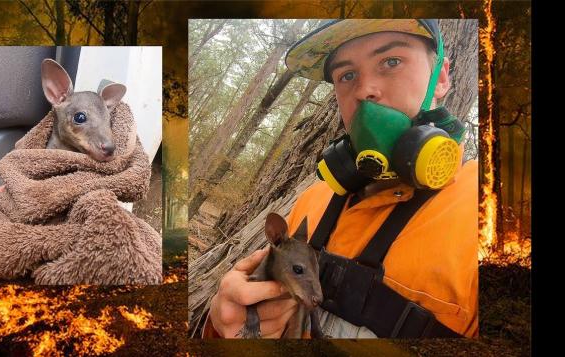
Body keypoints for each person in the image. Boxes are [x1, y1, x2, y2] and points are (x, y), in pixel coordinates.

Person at [203, 19, 478, 339]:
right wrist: (225, 323)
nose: (363, 91)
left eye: (391, 61)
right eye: (347, 75)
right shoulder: (314, 200)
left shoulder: (487, 218)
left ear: (441, 77)